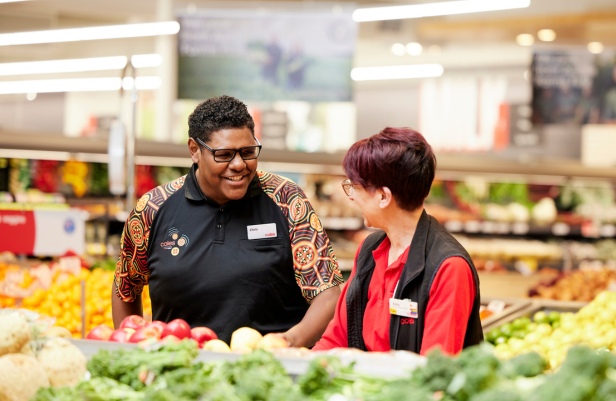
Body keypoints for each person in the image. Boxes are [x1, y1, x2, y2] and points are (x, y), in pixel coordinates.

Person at [112, 95, 343, 347]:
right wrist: (133, 349)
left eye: (247, 152)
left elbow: (328, 293)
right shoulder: (153, 208)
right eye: (224, 154)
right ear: (194, 150)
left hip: (268, 370)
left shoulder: (286, 199)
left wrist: (288, 343)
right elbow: (125, 288)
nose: (238, 165)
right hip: (178, 369)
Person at [312, 127, 483, 355]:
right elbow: (336, 338)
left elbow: (434, 371)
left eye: (355, 186)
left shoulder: (448, 267)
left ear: (384, 196)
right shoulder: (369, 250)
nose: (350, 195)